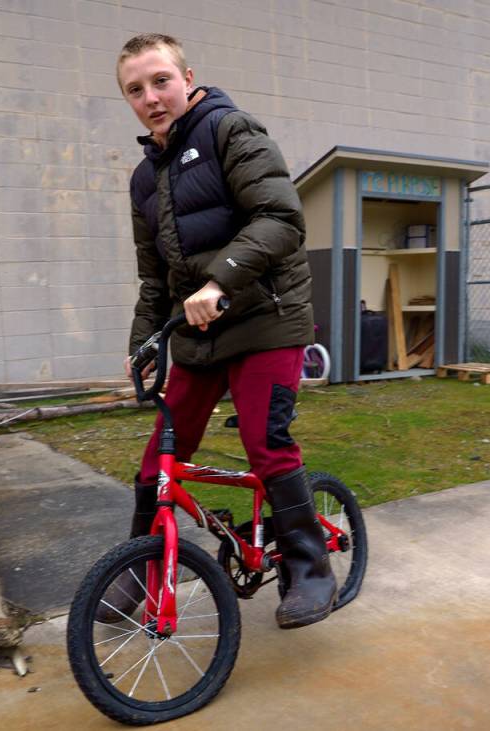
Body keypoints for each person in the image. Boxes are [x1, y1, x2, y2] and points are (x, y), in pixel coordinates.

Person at [103, 33, 335, 630]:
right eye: (135, 89)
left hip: (266, 320)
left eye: (161, 81)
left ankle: (309, 568)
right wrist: (142, 348)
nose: (151, 97)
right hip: (200, 334)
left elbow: (282, 217)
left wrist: (219, 282)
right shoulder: (143, 180)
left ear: (187, 77)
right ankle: (142, 567)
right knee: (162, 453)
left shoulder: (229, 131)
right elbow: (155, 279)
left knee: (265, 442)